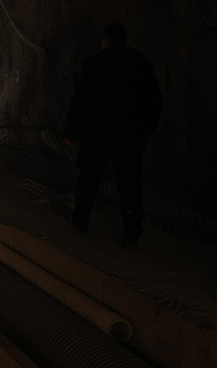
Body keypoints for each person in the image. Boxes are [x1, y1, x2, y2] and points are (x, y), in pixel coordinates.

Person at [64, 23, 162, 247]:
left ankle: (81, 221)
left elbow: (80, 100)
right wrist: (147, 128)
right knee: (129, 183)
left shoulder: (95, 66)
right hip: (129, 135)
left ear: (105, 41)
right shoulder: (141, 66)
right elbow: (154, 100)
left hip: (98, 134)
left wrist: (71, 131)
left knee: (88, 178)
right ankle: (132, 231)